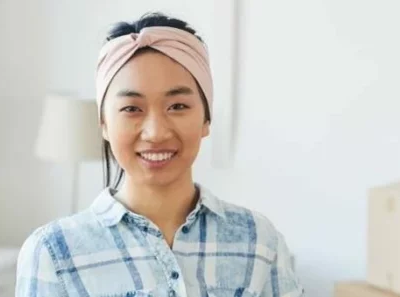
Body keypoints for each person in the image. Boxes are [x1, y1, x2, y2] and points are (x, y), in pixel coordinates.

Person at [16, 12, 304, 297]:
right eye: (132, 108)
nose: (155, 133)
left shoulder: (258, 241)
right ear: (103, 124)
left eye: (177, 106)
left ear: (206, 119)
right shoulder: (53, 253)